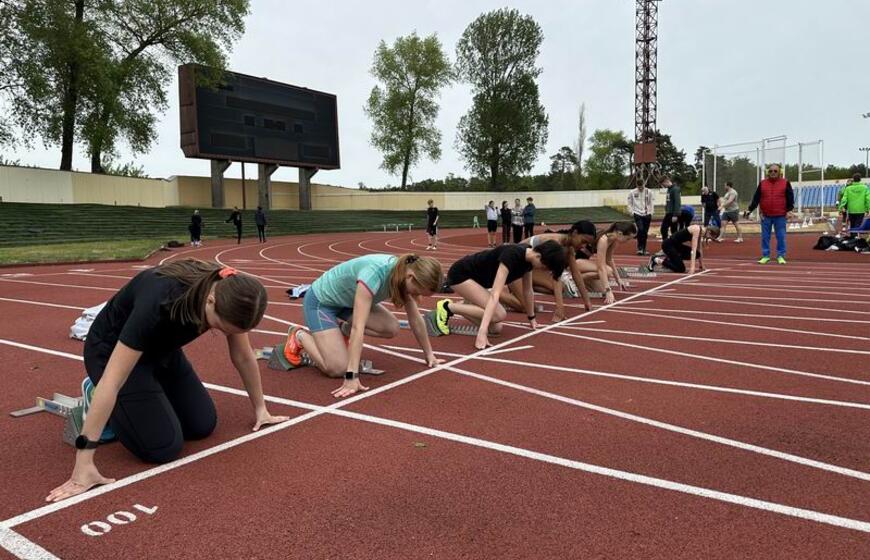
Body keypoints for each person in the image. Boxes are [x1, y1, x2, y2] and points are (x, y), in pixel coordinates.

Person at [46, 260, 288, 502]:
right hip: (110, 354)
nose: (224, 333)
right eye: (220, 326)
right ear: (210, 300)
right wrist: (83, 466)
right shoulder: (159, 301)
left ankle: (142, 398)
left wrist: (261, 409)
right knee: (162, 448)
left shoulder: (232, 292)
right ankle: (93, 394)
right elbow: (112, 381)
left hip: (162, 350)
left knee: (202, 425)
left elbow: (243, 356)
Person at [282, 254, 443, 398]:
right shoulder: (373, 274)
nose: (416, 296)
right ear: (411, 277)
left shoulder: (404, 274)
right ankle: (299, 336)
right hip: (322, 303)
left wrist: (429, 354)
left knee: (391, 328)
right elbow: (358, 328)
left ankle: (340, 331)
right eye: (417, 291)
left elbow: (415, 319)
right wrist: (351, 377)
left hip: (348, 302)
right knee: (338, 368)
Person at [436, 241, 567, 350]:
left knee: (495, 329)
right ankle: (447, 307)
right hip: (461, 275)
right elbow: (495, 294)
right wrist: (482, 333)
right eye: (544, 267)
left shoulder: (529, 261)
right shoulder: (511, 255)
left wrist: (532, 317)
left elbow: (527, 290)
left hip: (477, 282)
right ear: (539, 256)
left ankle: (465, 304)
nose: (543, 270)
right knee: (499, 314)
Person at [508, 221, 597, 320]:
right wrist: (559, 310)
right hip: (512, 267)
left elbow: (576, 274)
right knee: (528, 308)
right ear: (575, 233)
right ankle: (500, 295)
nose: (583, 246)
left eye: (587, 244)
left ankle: (518, 290)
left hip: (526, 270)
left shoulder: (569, 249)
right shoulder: (555, 243)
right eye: (583, 241)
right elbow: (556, 277)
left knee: (560, 288)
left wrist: (587, 301)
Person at [573, 222, 637, 305]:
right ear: (620, 233)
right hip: (573, 262)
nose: (628, 241)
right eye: (628, 238)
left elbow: (609, 260)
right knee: (608, 271)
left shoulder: (613, 240)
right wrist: (608, 290)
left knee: (600, 289)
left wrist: (618, 279)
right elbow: (601, 267)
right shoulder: (603, 240)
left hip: (581, 261)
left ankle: (577, 280)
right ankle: (572, 280)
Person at [744, 164, 794, 264]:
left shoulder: (785, 183)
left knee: (781, 237)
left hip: (780, 215)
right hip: (765, 215)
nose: (773, 173)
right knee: (765, 237)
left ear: (779, 172)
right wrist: (750, 210)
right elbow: (756, 198)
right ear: (767, 172)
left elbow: (790, 198)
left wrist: (789, 210)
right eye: (770, 171)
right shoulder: (762, 183)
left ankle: (781, 256)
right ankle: (765, 256)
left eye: (775, 171)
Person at [650, 225, 720, 274]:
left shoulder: (701, 231)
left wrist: (701, 265)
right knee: (681, 269)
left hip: (676, 246)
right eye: (711, 237)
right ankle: (656, 260)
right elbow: (693, 250)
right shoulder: (697, 230)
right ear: (709, 232)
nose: (709, 238)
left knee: (698, 254)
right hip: (668, 245)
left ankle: (671, 259)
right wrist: (692, 268)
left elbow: (699, 249)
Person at [628, 181, 654, 255]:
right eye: (639, 187)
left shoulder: (649, 192)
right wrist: (632, 212)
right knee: (640, 229)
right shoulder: (632, 192)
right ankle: (640, 248)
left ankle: (644, 249)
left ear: (644, 184)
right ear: (637, 185)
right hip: (637, 213)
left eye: (642, 187)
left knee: (645, 232)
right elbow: (629, 203)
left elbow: (651, 203)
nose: (640, 189)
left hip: (647, 214)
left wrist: (651, 212)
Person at [660, 176, 681, 241]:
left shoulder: (675, 189)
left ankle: (669, 244)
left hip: (672, 213)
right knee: (668, 229)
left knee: (671, 230)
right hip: (669, 213)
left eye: (663, 184)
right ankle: (668, 244)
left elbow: (677, 202)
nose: (663, 186)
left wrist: (675, 215)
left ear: (666, 181)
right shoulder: (669, 189)